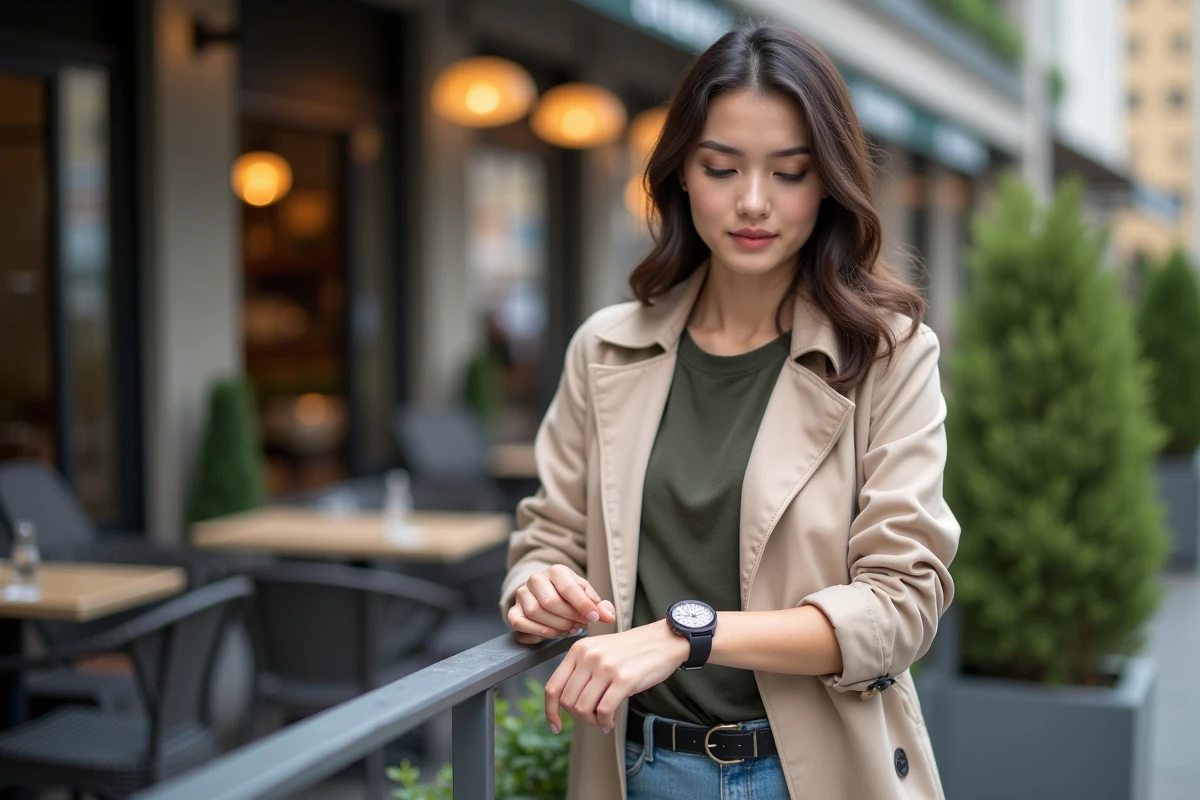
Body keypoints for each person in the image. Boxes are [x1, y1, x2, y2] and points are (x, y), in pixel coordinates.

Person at [499, 23, 959, 800]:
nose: (753, 202)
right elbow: (546, 537)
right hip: (633, 768)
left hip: (814, 772)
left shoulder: (888, 355)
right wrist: (541, 585)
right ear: (680, 171)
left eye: (789, 172)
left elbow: (900, 606)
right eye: (721, 167)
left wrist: (687, 636)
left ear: (830, 182)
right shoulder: (606, 350)